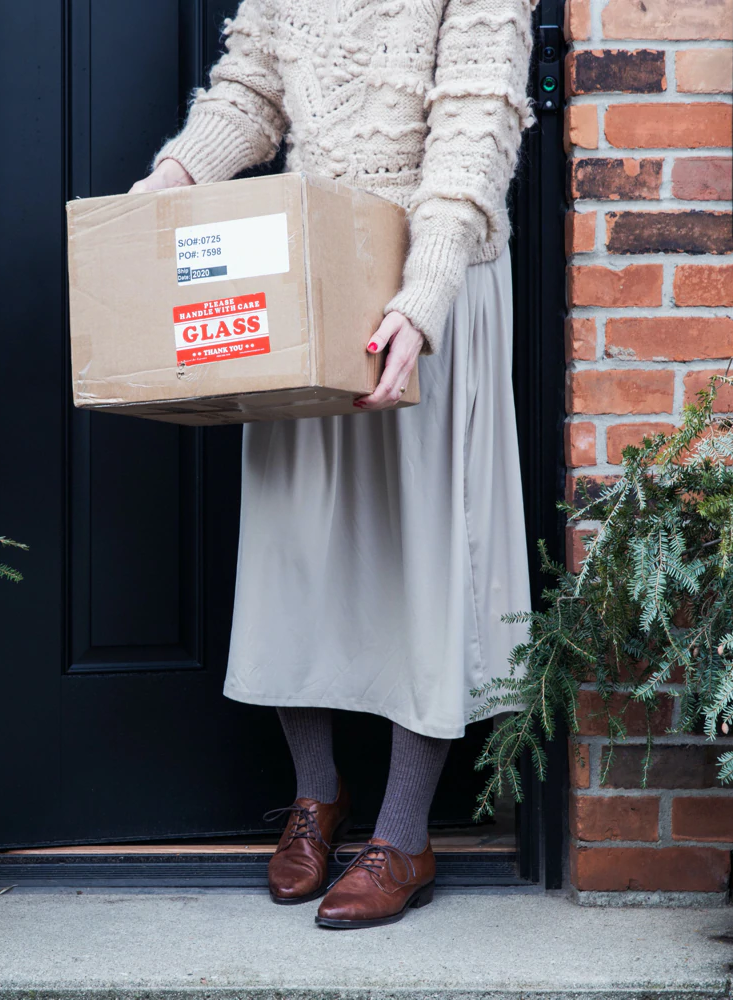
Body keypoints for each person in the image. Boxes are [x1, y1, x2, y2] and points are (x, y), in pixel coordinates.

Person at [131, 0, 537, 929]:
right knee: (295, 545)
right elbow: (252, 90)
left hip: (432, 281)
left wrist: (424, 293)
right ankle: (317, 796)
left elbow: (475, 127)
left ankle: (404, 833)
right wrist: (176, 173)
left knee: (427, 550)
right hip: (307, 274)